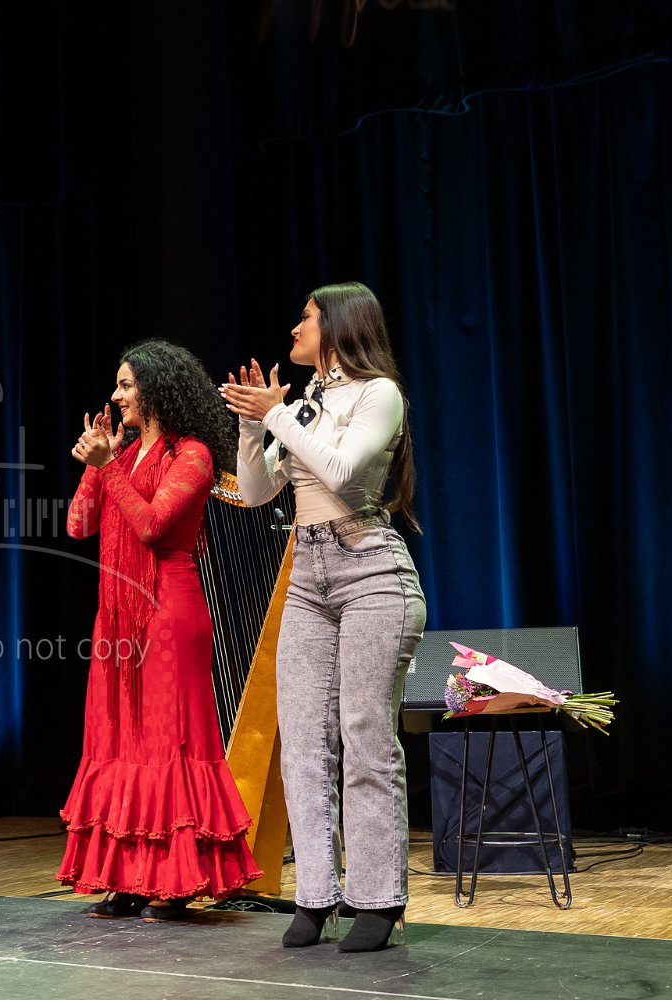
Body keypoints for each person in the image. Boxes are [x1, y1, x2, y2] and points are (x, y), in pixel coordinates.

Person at [221, 281, 426, 953]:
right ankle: (315, 894)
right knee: (305, 743)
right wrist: (253, 426)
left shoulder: (379, 394)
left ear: (337, 326)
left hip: (371, 572)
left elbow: (339, 473)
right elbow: (256, 492)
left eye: (305, 318)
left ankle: (378, 899)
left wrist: (278, 414)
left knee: (365, 736)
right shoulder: (306, 402)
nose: (294, 328)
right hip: (308, 578)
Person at [57, 339, 264, 920]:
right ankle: (128, 878)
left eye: (126, 385)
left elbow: (151, 525)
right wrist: (99, 466)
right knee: (120, 743)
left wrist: (108, 467)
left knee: (167, 744)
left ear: (154, 390)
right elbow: (78, 526)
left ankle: (174, 880)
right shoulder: (123, 458)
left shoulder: (192, 455)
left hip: (168, 611)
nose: (116, 395)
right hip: (117, 617)